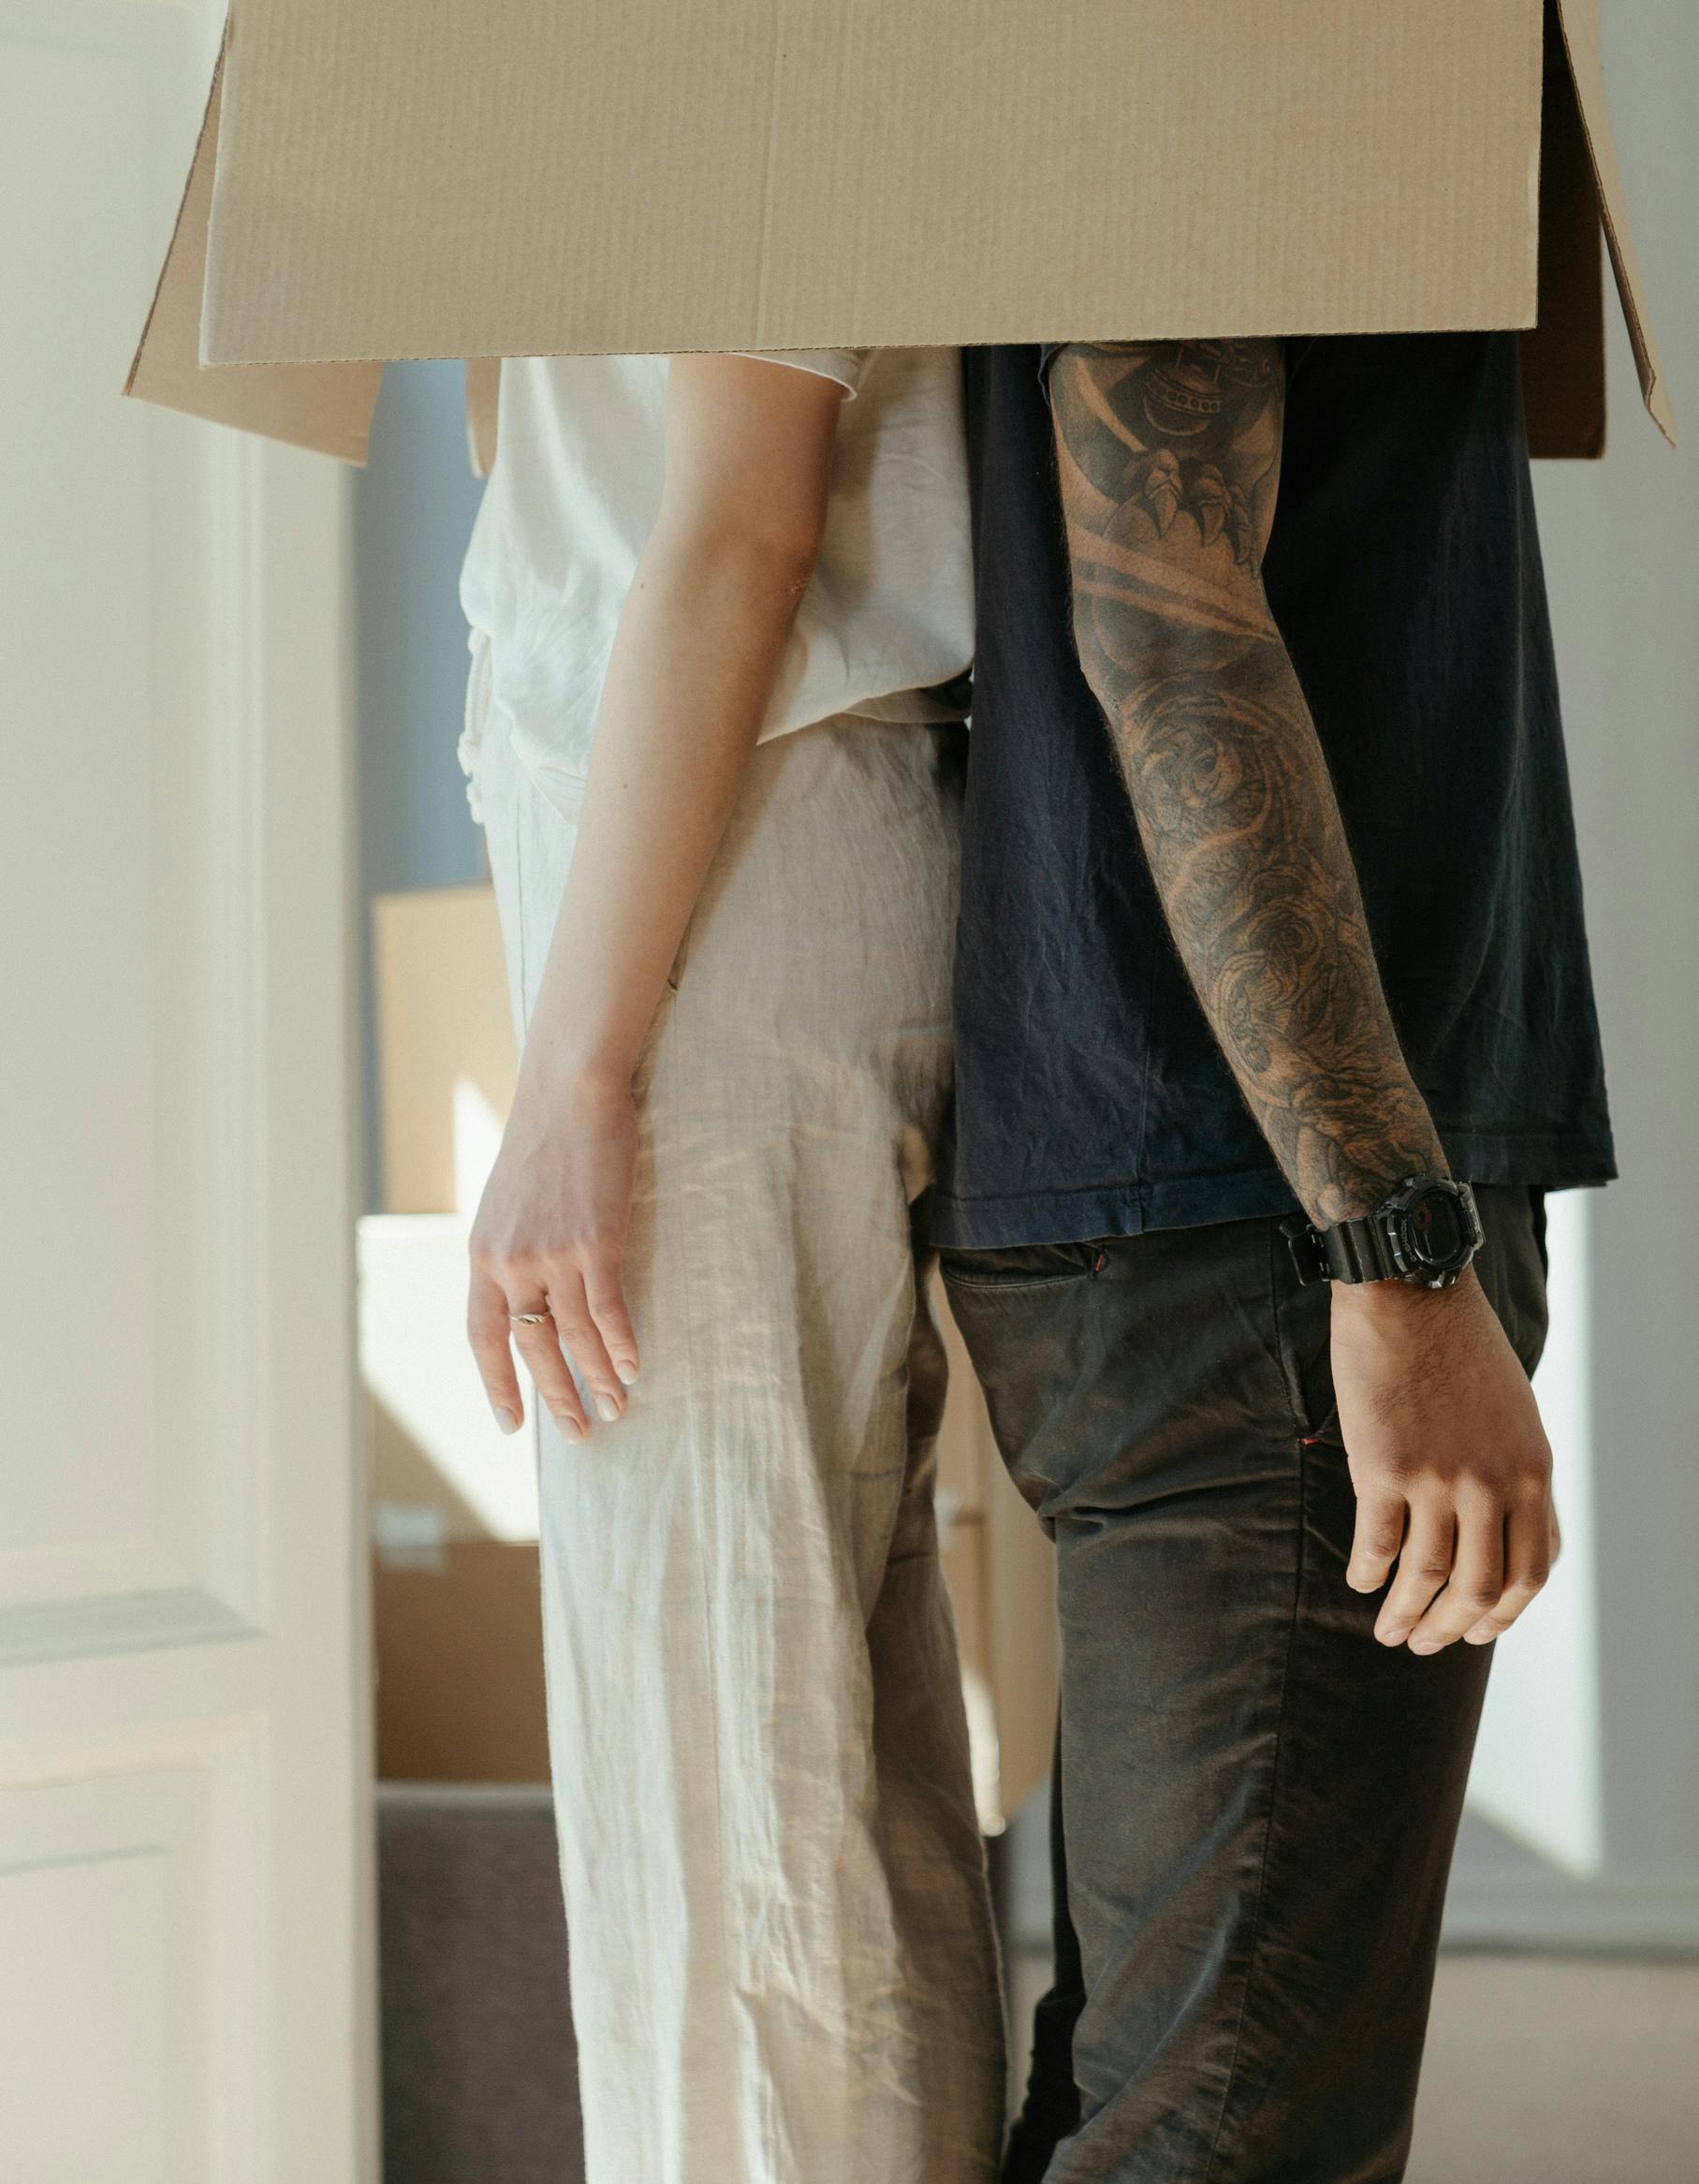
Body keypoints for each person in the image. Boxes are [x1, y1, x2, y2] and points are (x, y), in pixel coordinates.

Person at [938, 331, 1613, 2181]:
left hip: (1223, 1203)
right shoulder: (1255, 44)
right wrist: (1392, 1248)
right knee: (1222, 2134)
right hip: (1279, 1232)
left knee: (1160, 2093)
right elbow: (1161, 624)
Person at [454, 347, 1001, 2184]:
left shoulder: (705, 47)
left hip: (727, 874)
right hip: (722, 856)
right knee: (819, 1768)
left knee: (720, 1808)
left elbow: (745, 515)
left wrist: (576, 1078)